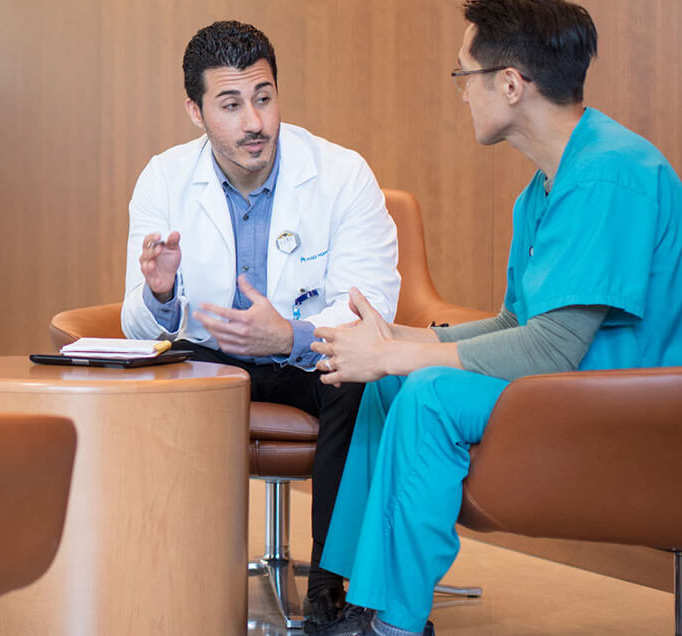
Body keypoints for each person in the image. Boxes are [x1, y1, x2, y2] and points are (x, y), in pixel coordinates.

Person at [309, 1, 682, 634]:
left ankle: (395, 623)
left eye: (464, 76)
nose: (461, 94)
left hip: (668, 406)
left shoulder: (610, 174)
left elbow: (553, 349)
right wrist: (402, 339)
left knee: (427, 390)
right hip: (590, 385)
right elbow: (520, 325)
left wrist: (408, 356)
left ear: (510, 84)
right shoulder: (543, 189)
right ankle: (361, 596)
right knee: (391, 382)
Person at [120, 21, 401, 630]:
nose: (254, 121)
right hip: (210, 357)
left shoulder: (343, 174)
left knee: (360, 381)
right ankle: (170, 573)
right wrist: (161, 292)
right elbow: (139, 325)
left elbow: (371, 307)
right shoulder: (164, 179)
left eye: (264, 97)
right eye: (230, 104)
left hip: (308, 358)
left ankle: (332, 585)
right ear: (195, 111)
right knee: (156, 382)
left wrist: (290, 339)